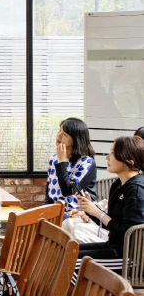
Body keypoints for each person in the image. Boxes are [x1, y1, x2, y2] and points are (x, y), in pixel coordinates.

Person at [70, 135, 144, 284]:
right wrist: (91, 209)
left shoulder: (136, 190)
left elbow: (130, 233)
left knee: (68, 264)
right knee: (65, 251)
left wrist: (97, 212)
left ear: (129, 161)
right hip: (113, 247)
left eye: (112, 153)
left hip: (129, 259)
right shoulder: (118, 184)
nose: (107, 157)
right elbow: (111, 222)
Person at [44, 117, 97, 215]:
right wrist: (43, 211)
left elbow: (68, 191)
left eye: (65, 134)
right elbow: (49, 192)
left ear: (76, 140)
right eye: (59, 130)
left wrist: (62, 162)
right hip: (54, 211)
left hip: (76, 212)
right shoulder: (54, 159)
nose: (59, 136)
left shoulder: (87, 162)